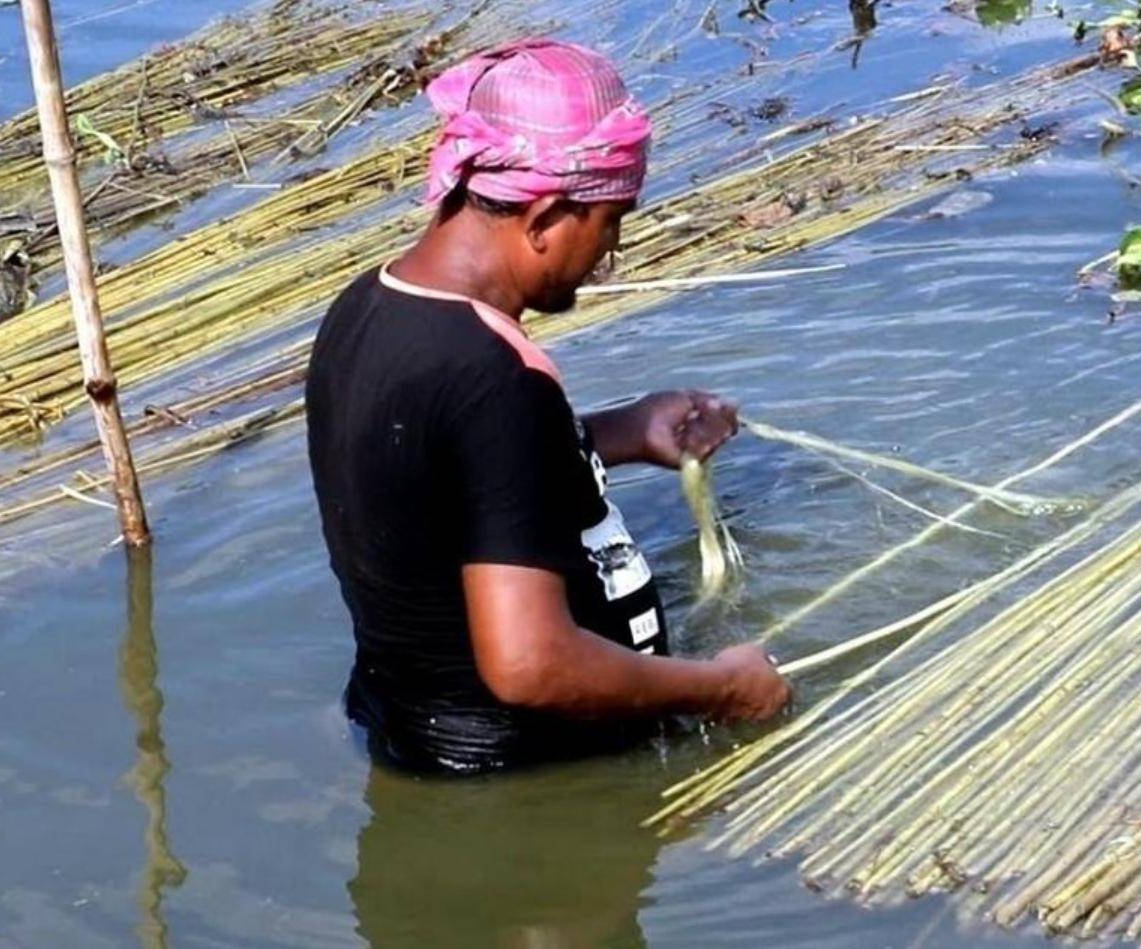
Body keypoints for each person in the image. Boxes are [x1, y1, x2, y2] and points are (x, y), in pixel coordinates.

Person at [305, 39, 791, 775]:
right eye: (610, 221)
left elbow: (447, 482)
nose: (610, 252)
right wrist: (723, 686)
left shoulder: (366, 307)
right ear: (546, 216)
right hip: (531, 771)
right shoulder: (498, 377)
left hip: (414, 731)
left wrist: (625, 432)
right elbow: (531, 664)